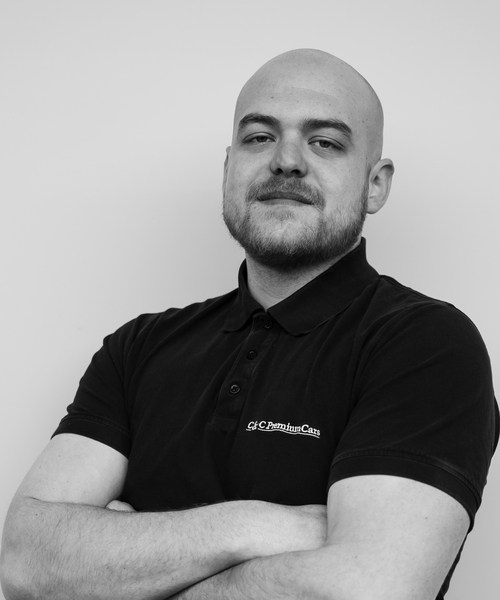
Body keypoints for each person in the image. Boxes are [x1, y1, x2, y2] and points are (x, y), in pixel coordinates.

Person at [0, 49, 498, 600]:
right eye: (259, 137)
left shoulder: (426, 345)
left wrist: (117, 565)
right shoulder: (137, 348)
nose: (286, 161)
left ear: (375, 185)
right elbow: (23, 562)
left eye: (325, 142)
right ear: (228, 169)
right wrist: (259, 526)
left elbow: (368, 590)